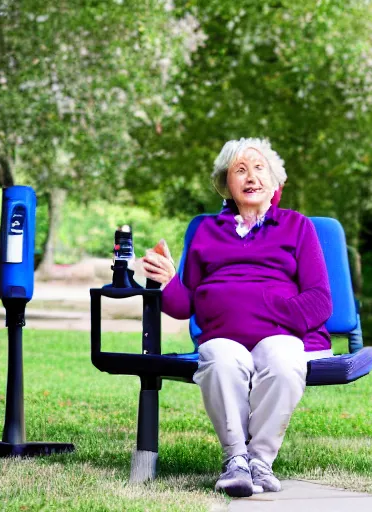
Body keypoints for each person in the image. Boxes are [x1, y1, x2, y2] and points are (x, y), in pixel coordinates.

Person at [141, 138, 333, 497]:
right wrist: (167, 281)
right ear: (225, 183)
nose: (251, 177)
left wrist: (265, 314)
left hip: (281, 335)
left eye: (260, 168)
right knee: (219, 359)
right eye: (239, 170)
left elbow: (320, 301)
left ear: (275, 182)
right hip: (224, 339)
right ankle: (236, 461)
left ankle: (260, 461)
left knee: (283, 361)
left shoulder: (297, 227)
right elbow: (185, 306)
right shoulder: (205, 231)